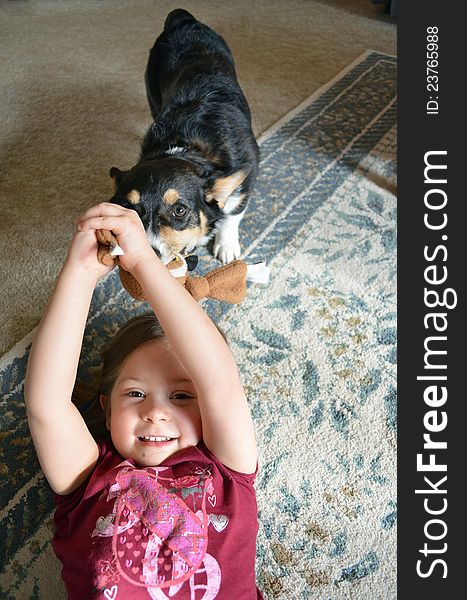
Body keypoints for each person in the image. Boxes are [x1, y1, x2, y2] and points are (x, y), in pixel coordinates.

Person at [25, 203, 262, 599]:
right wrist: (80, 273)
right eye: (135, 394)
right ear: (106, 406)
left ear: (207, 406)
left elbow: (220, 382)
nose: (155, 412)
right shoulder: (87, 480)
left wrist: (143, 262)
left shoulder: (229, 471)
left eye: (182, 396)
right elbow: (46, 405)